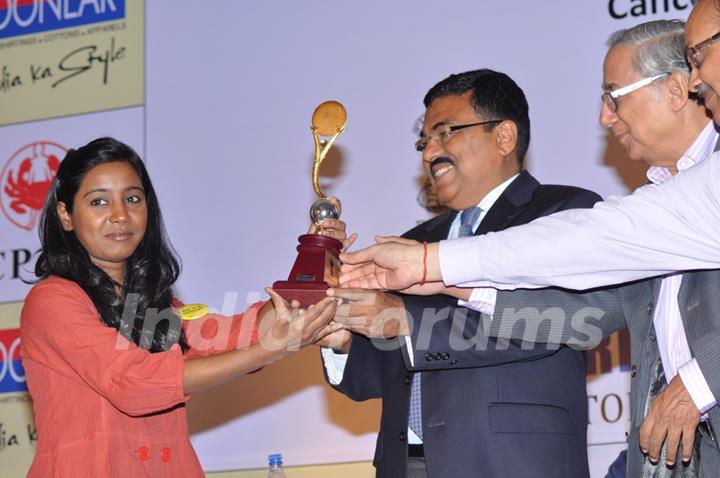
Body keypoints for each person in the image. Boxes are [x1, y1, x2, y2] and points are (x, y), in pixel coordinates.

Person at [339, 0, 720, 472]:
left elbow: (584, 239)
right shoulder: (662, 194)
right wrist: (452, 282)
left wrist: (701, 380)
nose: (604, 117)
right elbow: (583, 312)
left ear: (679, 88)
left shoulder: (577, 208)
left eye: (614, 96)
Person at [321, 69, 601, 478]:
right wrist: (344, 337)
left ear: (504, 136)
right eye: (423, 141)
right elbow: (376, 379)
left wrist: (401, 319)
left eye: (445, 132)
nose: (428, 152)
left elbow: (551, 319)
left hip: (511, 464)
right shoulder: (415, 242)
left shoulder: (564, 212)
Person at [20, 137, 344, 477]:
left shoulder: (159, 308)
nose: (120, 215)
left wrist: (315, 260)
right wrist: (267, 352)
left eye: (132, 198)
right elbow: (132, 383)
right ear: (66, 215)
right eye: (99, 202)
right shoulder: (53, 301)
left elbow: (238, 333)